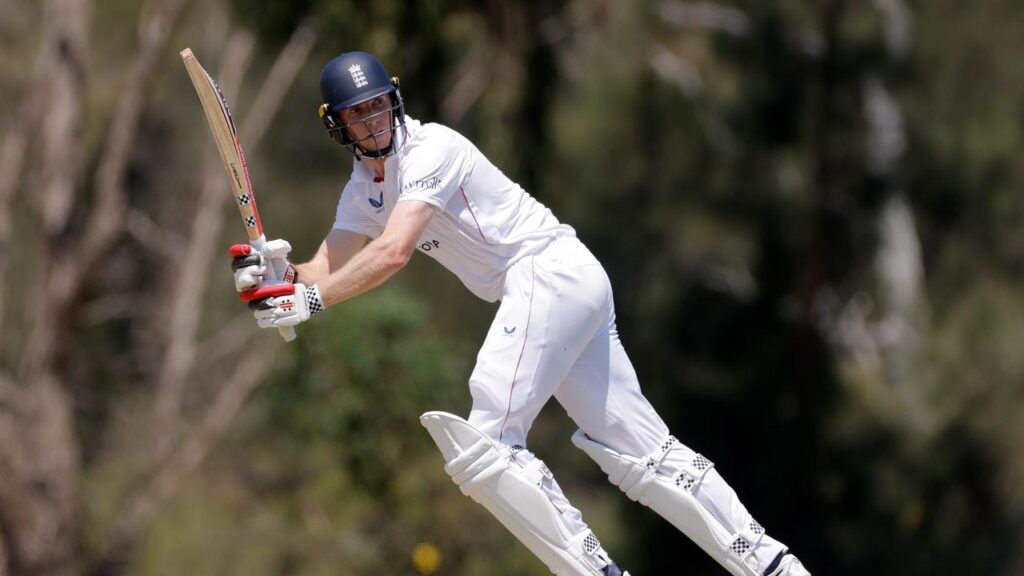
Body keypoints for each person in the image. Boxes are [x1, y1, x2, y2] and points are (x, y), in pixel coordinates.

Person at [230, 51, 812, 576]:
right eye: (359, 114)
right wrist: (276, 277)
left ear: (396, 100)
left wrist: (306, 301)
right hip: (563, 284)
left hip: (546, 271)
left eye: (380, 105)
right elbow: (325, 269)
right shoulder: (361, 190)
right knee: (643, 456)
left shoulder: (435, 148)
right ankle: (775, 567)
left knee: (488, 439)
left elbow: (393, 252)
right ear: (338, 124)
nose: (374, 121)